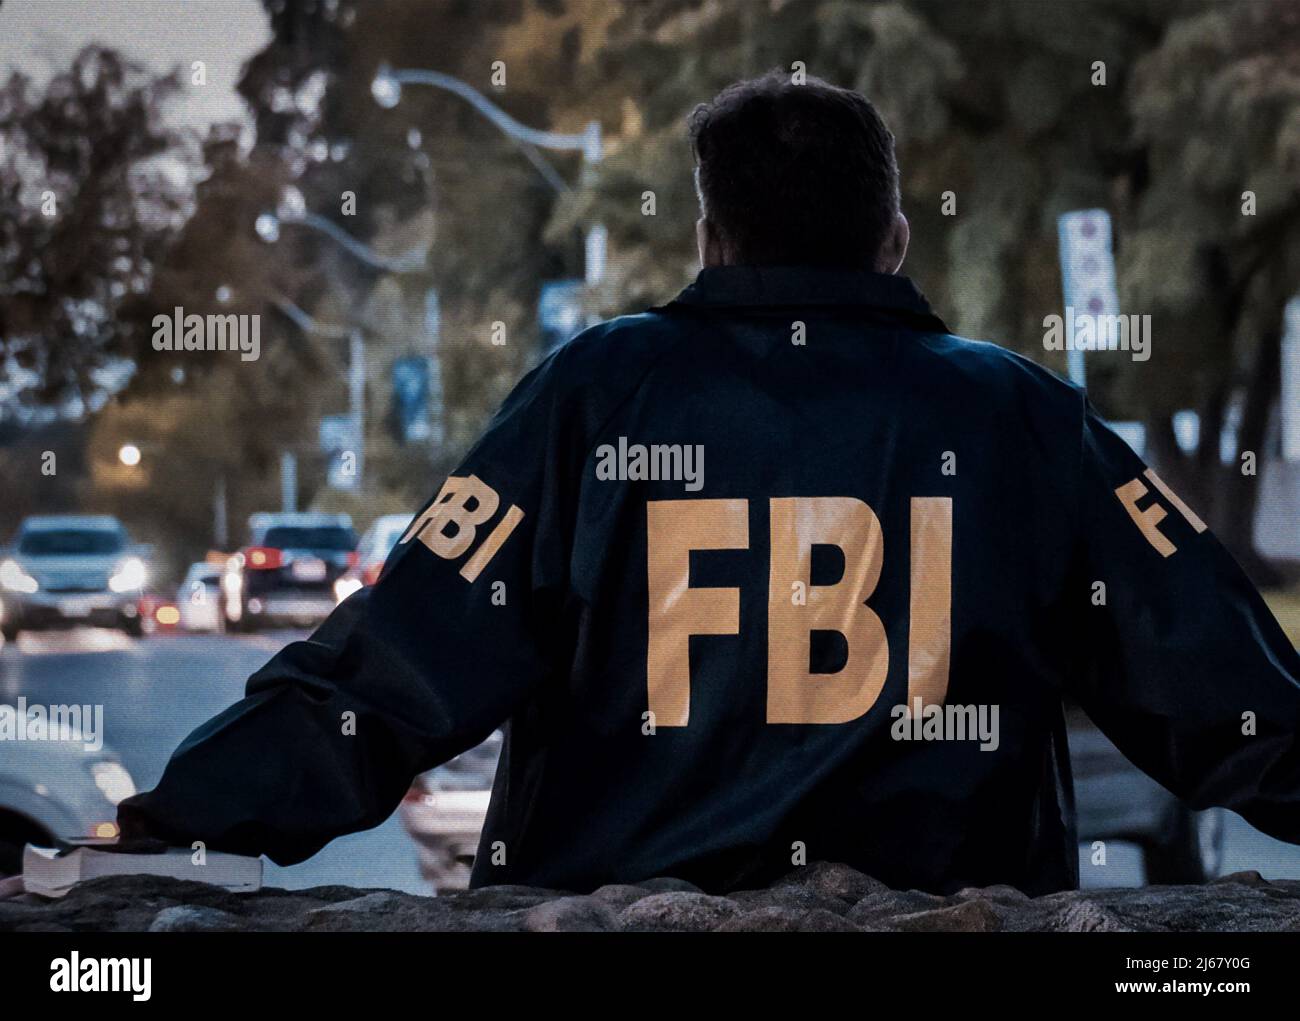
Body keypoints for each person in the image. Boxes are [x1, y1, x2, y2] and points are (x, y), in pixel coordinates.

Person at [119, 72, 1300, 896]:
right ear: (892, 240)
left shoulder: (594, 395)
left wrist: (166, 827)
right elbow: (1221, 685)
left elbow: (392, 670)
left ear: (710, 241)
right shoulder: (1023, 416)